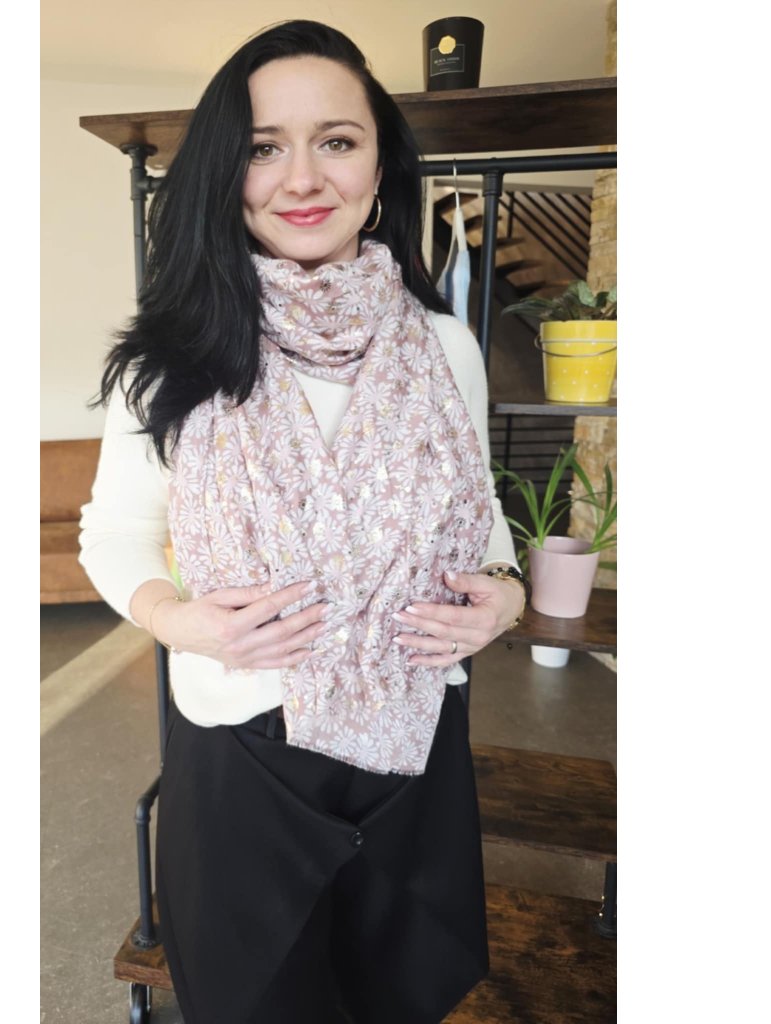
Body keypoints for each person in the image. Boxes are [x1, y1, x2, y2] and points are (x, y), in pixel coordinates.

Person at [79, 20, 527, 1024]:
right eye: (262, 147)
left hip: (415, 742)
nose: (302, 178)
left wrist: (501, 598)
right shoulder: (172, 356)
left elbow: (479, 518)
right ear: (223, 172)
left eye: (336, 140)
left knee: (399, 996)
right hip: (243, 749)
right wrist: (179, 620)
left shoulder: (444, 348)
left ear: (380, 164)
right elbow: (112, 533)